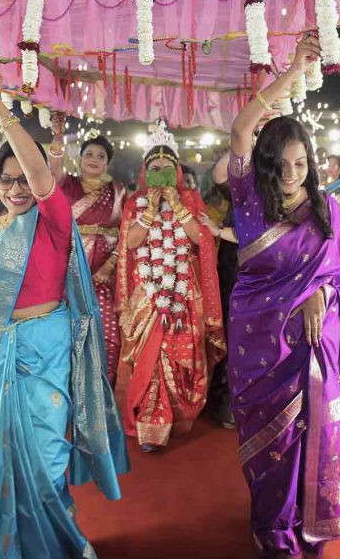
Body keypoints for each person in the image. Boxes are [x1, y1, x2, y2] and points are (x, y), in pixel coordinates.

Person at [0, 60, 128, 559]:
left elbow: (37, 175)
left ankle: (57, 549)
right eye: (5, 181)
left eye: (23, 179)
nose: (16, 189)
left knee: (46, 467)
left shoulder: (52, 221)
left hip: (42, 356)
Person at [225, 33, 340, 559]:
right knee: (270, 448)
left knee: (312, 436)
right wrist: (291, 72)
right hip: (258, 345)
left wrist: (323, 292)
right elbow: (242, 130)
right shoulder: (248, 200)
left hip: (311, 343)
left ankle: (307, 522)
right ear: (266, 166)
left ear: (310, 163)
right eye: (280, 166)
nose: (290, 175)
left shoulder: (327, 212)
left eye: (300, 165)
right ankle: (272, 529)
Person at [115, 120, 224, 452]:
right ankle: (151, 422)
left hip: (182, 291)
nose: (161, 171)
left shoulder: (190, 199)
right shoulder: (135, 203)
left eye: (167, 167)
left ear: (177, 170)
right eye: (154, 167)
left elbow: (199, 239)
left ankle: (177, 414)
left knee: (181, 352)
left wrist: (176, 204)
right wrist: (150, 210)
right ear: (145, 171)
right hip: (147, 293)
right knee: (151, 354)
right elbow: (131, 242)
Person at [48, 115, 126, 387]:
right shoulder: (66, 184)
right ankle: (68, 386)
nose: (94, 159)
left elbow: (123, 235)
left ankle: (102, 387)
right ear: (79, 159)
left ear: (108, 162)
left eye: (101, 156)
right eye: (89, 154)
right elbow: (53, 168)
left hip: (104, 272)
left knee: (108, 331)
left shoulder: (118, 191)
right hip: (67, 268)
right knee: (67, 328)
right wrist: (58, 139)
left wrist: (109, 267)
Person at [199, 151, 239, 429]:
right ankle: (223, 400)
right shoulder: (243, 185)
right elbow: (219, 175)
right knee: (230, 328)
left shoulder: (281, 184)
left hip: (268, 268)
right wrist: (244, 138)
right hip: (235, 264)